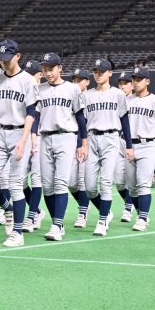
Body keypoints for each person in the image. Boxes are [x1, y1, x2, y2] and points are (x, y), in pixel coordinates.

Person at [0, 40, 40, 247]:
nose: (4, 63)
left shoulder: (27, 80)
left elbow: (32, 113)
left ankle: (17, 232)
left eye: (7, 59)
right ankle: (8, 208)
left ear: (18, 56)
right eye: (1, 60)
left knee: (16, 184)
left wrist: (24, 140)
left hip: (19, 133)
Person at [37, 54, 87, 241]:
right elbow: (34, 116)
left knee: (60, 183)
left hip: (66, 136)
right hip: (44, 137)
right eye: (45, 69)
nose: (48, 72)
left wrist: (84, 143)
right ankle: (56, 222)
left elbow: (81, 117)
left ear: (60, 68)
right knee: (47, 186)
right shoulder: (39, 89)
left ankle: (57, 225)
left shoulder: (72, 89)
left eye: (51, 68)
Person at [83, 59, 133, 237]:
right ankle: (107, 211)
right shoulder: (87, 95)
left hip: (111, 138)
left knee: (105, 182)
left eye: (102, 71)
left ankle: (102, 220)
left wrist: (129, 145)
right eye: (95, 70)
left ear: (110, 73)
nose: (98, 74)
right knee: (89, 187)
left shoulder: (118, 94)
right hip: (91, 138)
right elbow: (83, 121)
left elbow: (125, 120)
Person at [125, 68, 155, 231]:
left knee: (143, 183)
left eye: (140, 78)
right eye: (134, 78)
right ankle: (141, 213)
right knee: (131, 188)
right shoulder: (126, 100)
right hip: (129, 146)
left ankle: (143, 218)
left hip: (149, 145)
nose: (136, 81)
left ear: (148, 81)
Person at [21, 60, 45, 233]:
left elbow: (36, 115)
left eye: (33, 73)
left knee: (36, 178)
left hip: (42, 137)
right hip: (23, 137)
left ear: (40, 75)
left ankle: (32, 216)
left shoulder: (45, 91)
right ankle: (37, 210)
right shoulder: (24, 90)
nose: (29, 76)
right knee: (20, 180)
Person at [69, 69, 92, 228]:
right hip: (71, 141)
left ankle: (82, 213)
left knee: (83, 181)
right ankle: (86, 204)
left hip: (87, 141)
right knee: (71, 182)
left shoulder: (92, 97)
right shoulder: (70, 95)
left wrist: (85, 144)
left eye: (80, 80)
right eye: (74, 80)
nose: (76, 83)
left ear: (87, 82)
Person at [115, 72, 136, 223]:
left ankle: (129, 207)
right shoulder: (115, 99)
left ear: (132, 85)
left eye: (126, 83)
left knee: (132, 181)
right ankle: (130, 202)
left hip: (133, 143)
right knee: (119, 182)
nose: (122, 86)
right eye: (120, 83)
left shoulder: (137, 100)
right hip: (118, 140)